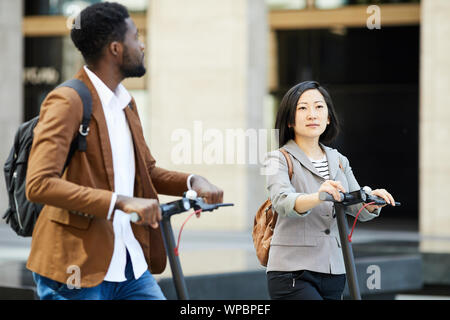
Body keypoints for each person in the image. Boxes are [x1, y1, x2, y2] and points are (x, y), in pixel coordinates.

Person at [25, 2, 223, 300]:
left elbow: (147, 171)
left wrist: (191, 182)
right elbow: (39, 184)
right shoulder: (67, 101)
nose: (142, 45)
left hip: (128, 264)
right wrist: (121, 202)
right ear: (115, 49)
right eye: (136, 37)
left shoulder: (125, 102)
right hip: (75, 267)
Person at [263, 81, 396, 300]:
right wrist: (318, 196)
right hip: (292, 271)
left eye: (318, 107)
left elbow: (358, 210)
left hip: (335, 270)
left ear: (328, 117)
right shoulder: (277, 158)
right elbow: (282, 201)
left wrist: (373, 199)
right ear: (289, 120)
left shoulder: (339, 160)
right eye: (302, 108)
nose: (312, 114)